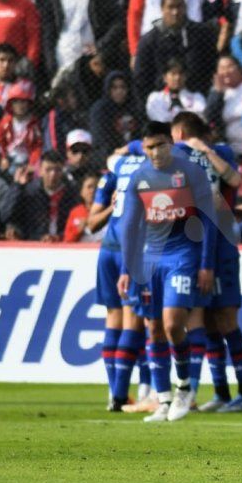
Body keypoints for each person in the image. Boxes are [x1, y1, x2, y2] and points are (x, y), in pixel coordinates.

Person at [118, 121, 218, 423]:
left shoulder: (190, 173)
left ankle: (184, 386)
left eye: (160, 145)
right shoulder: (139, 177)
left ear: (170, 144)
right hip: (150, 259)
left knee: (174, 323)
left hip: (182, 256)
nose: (155, 152)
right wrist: (126, 268)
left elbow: (208, 220)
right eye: (149, 147)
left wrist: (206, 264)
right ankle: (162, 399)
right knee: (153, 329)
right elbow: (130, 226)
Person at [169, 112, 242, 413]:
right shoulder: (179, 157)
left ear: (180, 132)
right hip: (198, 248)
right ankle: (221, 392)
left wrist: (204, 150)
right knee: (207, 324)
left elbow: (235, 180)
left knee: (227, 320)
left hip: (222, 248)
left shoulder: (219, 153)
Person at [91, 147, 148, 411]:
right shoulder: (154, 167)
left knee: (113, 319)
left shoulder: (117, 168)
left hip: (107, 249)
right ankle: (127, 393)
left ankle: (114, 392)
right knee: (135, 322)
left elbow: (92, 223)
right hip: (131, 249)